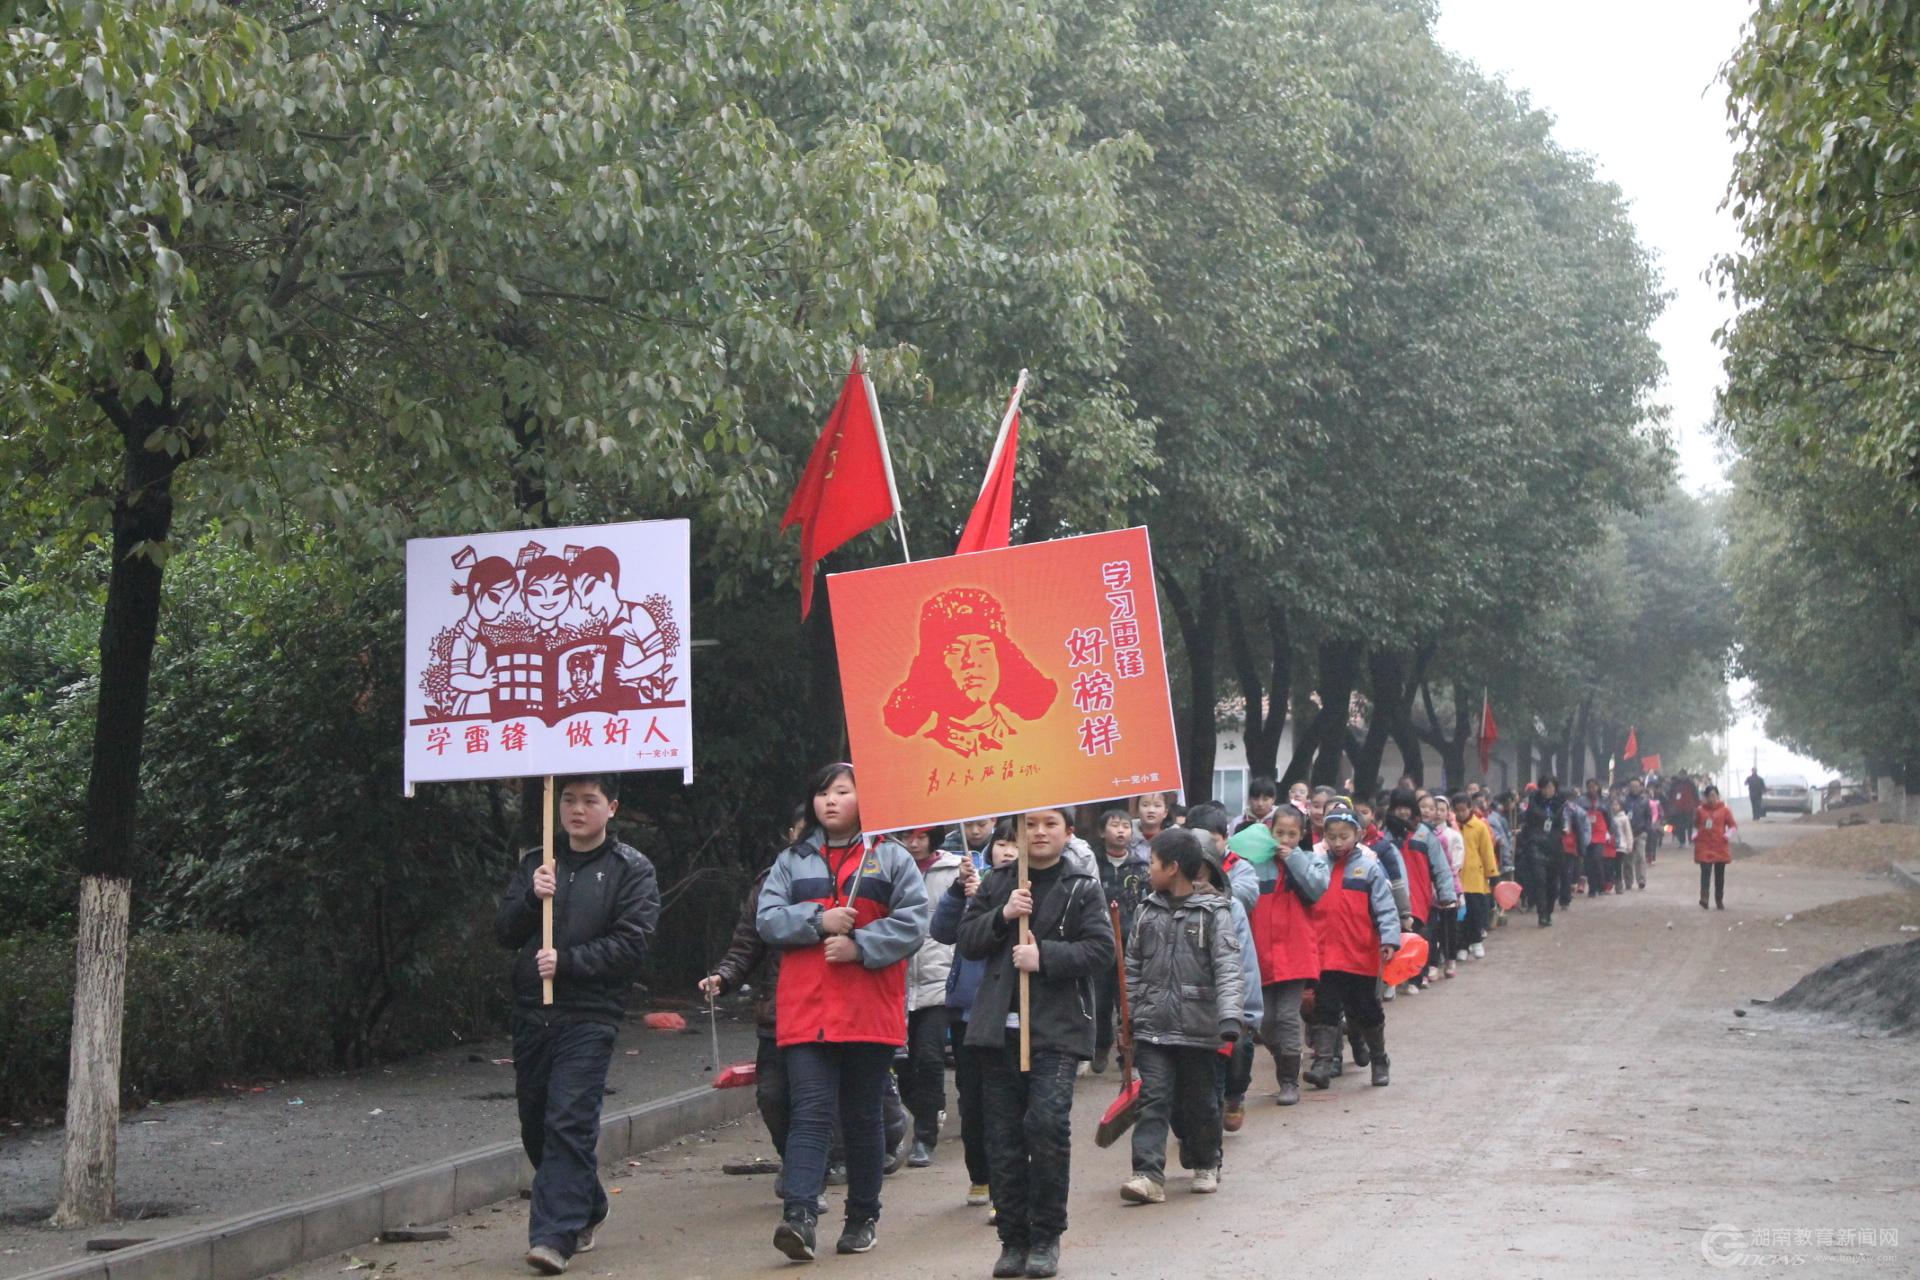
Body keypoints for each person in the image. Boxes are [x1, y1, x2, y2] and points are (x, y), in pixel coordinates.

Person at [756, 764, 930, 1262]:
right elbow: (767, 919)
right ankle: (799, 1217)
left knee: (861, 1115)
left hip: (868, 1008)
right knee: (810, 1111)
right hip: (806, 1008)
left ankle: (862, 1218)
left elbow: (914, 922)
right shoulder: (790, 861)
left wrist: (860, 945)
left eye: (842, 791)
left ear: (865, 799)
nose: (829, 801)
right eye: (822, 793)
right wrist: (818, 920)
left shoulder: (890, 857)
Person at [494, 775, 661, 1276]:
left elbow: (632, 943)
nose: (577, 810)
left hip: (590, 1013)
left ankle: (553, 1237)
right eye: (568, 799)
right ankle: (588, 1203)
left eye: (590, 800)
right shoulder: (537, 861)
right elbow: (504, 932)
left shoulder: (631, 869)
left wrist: (569, 963)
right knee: (536, 1124)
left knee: (568, 1119)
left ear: (612, 807)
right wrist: (531, 898)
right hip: (533, 1011)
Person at [957, 807, 1114, 1280]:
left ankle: (1046, 1236)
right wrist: (1003, 915)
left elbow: (1101, 950)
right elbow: (967, 940)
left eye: (1050, 824)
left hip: (1057, 1031)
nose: (1040, 832)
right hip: (996, 1031)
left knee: (1046, 1127)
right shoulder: (998, 883)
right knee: (1002, 1139)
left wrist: (1043, 956)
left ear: (1069, 833)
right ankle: (1013, 1239)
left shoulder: (1083, 887)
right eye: (1031, 825)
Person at [1118, 828, 1246, 1206]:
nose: (1148, 870)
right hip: (1153, 1028)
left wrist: (1230, 1018)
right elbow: (1132, 968)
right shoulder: (1146, 910)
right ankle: (1147, 1174)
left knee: (1201, 1101)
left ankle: (1206, 1161)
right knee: (1153, 1099)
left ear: (1172, 867)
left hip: (1198, 1028)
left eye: (1153, 863)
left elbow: (1228, 968)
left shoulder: (1214, 913)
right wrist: (1127, 1018)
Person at [929, 822, 1022, 1214]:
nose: (1008, 851)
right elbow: (942, 931)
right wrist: (959, 893)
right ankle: (979, 1174)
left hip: (1011, 1012)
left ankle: (1007, 1187)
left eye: (1015, 844)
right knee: (973, 1100)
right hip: (968, 1009)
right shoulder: (970, 887)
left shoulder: (1030, 891)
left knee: (1007, 1103)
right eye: (1002, 843)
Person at [1302, 803, 1401, 1088]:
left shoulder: (1369, 868)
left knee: (1366, 1009)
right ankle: (1322, 1063)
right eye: (1331, 836)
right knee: (1325, 1008)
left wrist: (1389, 939)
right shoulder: (1317, 866)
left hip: (1360, 954)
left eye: (1343, 836)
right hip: (1326, 954)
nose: (1337, 842)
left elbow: (1385, 908)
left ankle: (1379, 1059)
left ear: (1357, 834)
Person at [1249, 806, 1329, 1104]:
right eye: (1279, 833)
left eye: (1292, 834)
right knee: (1265, 1022)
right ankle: (1283, 1061)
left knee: (1286, 1017)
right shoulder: (1256, 863)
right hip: (1261, 953)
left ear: (1302, 834)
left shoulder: (1311, 860)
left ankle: (1288, 1081)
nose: (1285, 839)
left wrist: (1293, 858)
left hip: (1295, 953)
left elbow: (1317, 889)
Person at [900, 826, 964, 1168]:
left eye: (921, 836)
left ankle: (924, 1138)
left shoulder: (953, 869)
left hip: (938, 978)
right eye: (907, 836)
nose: (914, 843)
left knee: (929, 1056)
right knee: (900, 1063)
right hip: (896, 980)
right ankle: (929, 1108)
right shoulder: (887, 867)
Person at [1092, 808, 1150, 1073]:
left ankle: (1128, 1053)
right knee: (1101, 1000)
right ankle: (1101, 1045)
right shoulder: (1094, 865)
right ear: (1101, 832)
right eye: (1115, 826)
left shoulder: (1141, 867)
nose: (1121, 831)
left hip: (1131, 944)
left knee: (1127, 1000)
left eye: (1126, 826)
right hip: (1100, 942)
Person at [1452, 794, 1499, 959]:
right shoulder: (1452, 828)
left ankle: (1477, 941)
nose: (1460, 814)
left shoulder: (1479, 827)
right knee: (1461, 916)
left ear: (1470, 808)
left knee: (1476, 912)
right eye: (1457, 810)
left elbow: (1487, 851)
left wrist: (1492, 873)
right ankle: (1462, 946)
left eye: (1463, 810)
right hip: (1457, 879)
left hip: (1475, 877)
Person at [1518, 778, 1566, 926]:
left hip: (1554, 846)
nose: (1547, 791)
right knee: (1540, 880)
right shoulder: (1533, 803)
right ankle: (1542, 914)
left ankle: (1548, 910)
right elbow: (1526, 822)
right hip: (1536, 845)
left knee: (1552, 883)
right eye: (1544, 787)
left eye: (1550, 787)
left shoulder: (1561, 804)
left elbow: (1564, 823)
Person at [1694, 785, 1737, 910]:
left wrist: (1727, 836)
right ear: (1705, 797)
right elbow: (1696, 825)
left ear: (1718, 796)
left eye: (1714, 796)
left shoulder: (1725, 810)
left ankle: (1719, 899)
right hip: (1704, 846)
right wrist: (1695, 835)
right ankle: (1704, 898)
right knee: (1705, 872)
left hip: (1719, 846)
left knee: (1719, 875)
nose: (1711, 799)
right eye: (1709, 796)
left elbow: (1733, 826)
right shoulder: (1700, 810)